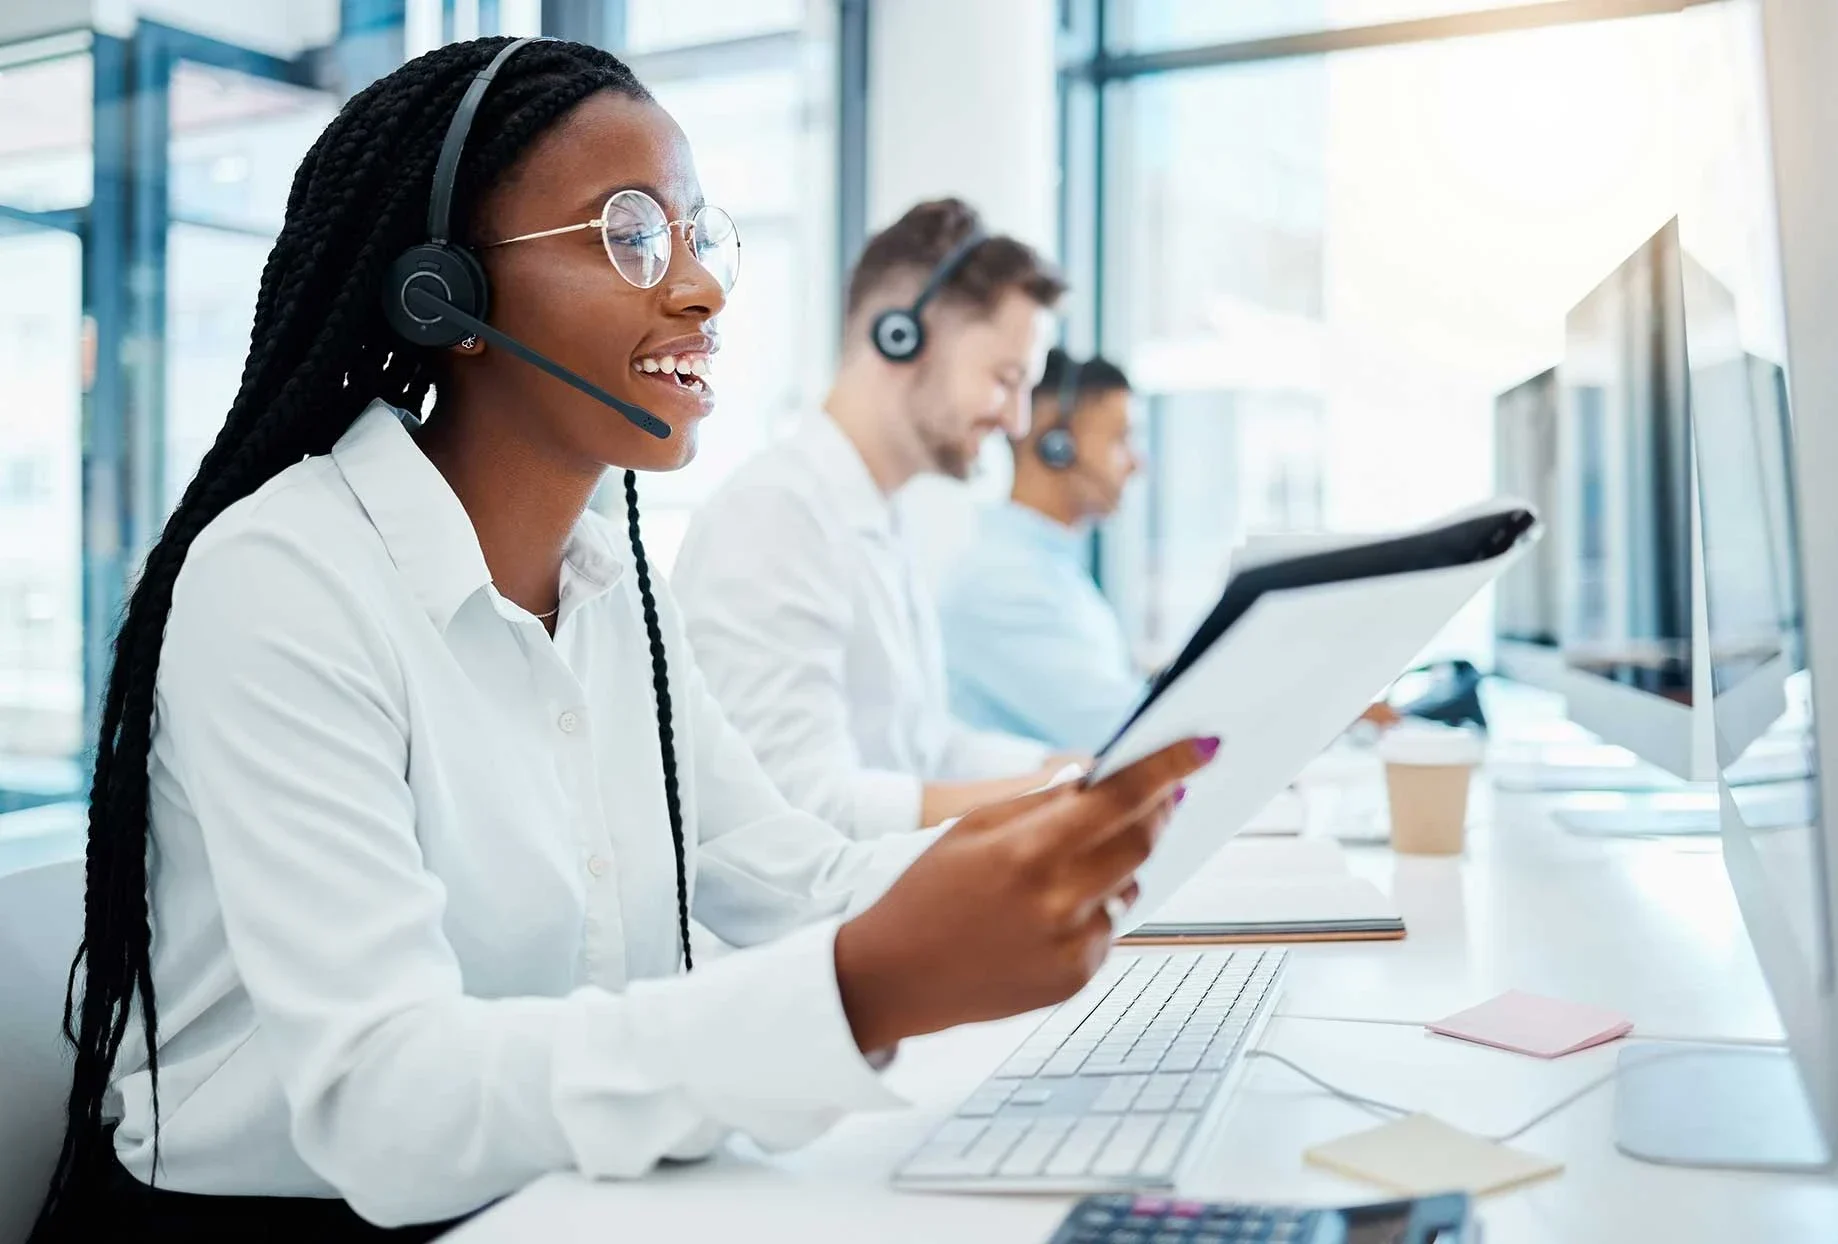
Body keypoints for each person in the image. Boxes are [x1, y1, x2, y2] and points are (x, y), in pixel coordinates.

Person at [29, 38, 1214, 1242]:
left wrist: (1067, 846)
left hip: (544, 1192)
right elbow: (384, 1100)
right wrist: (860, 987)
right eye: (632, 232)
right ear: (446, 294)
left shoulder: (610, 585)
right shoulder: (281, 579)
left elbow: (781, 870)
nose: (701, 285)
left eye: (700, 233)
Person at [672, 199, 1075, 838]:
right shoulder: (774, 519)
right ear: (901, 334)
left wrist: (1074, 771)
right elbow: (802, 808)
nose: (1018, 423)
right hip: (796, 934)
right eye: (1005, 378)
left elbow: (925, 748)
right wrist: (1057, 798)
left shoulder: (874, 513)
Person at [941, 349, 1146, 753]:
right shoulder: (1001, 582)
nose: (1136, 464)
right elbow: (1124, 733)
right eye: (1120, 439)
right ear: (1057, 444)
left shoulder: (1049, 564)